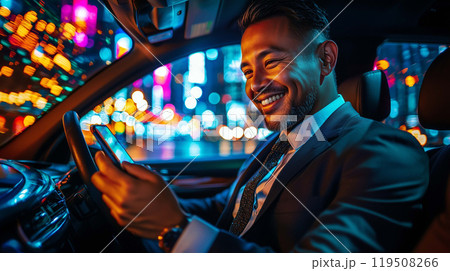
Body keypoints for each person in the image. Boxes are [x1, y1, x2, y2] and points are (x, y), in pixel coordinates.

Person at [92, 0, 429, 252]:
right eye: (249, 72)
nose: (256, 85)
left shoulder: (385, 152)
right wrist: (149, 202)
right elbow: (225, 209)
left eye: (272, 62)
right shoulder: (274, 144)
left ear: (325, 59)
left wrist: (176, 229)